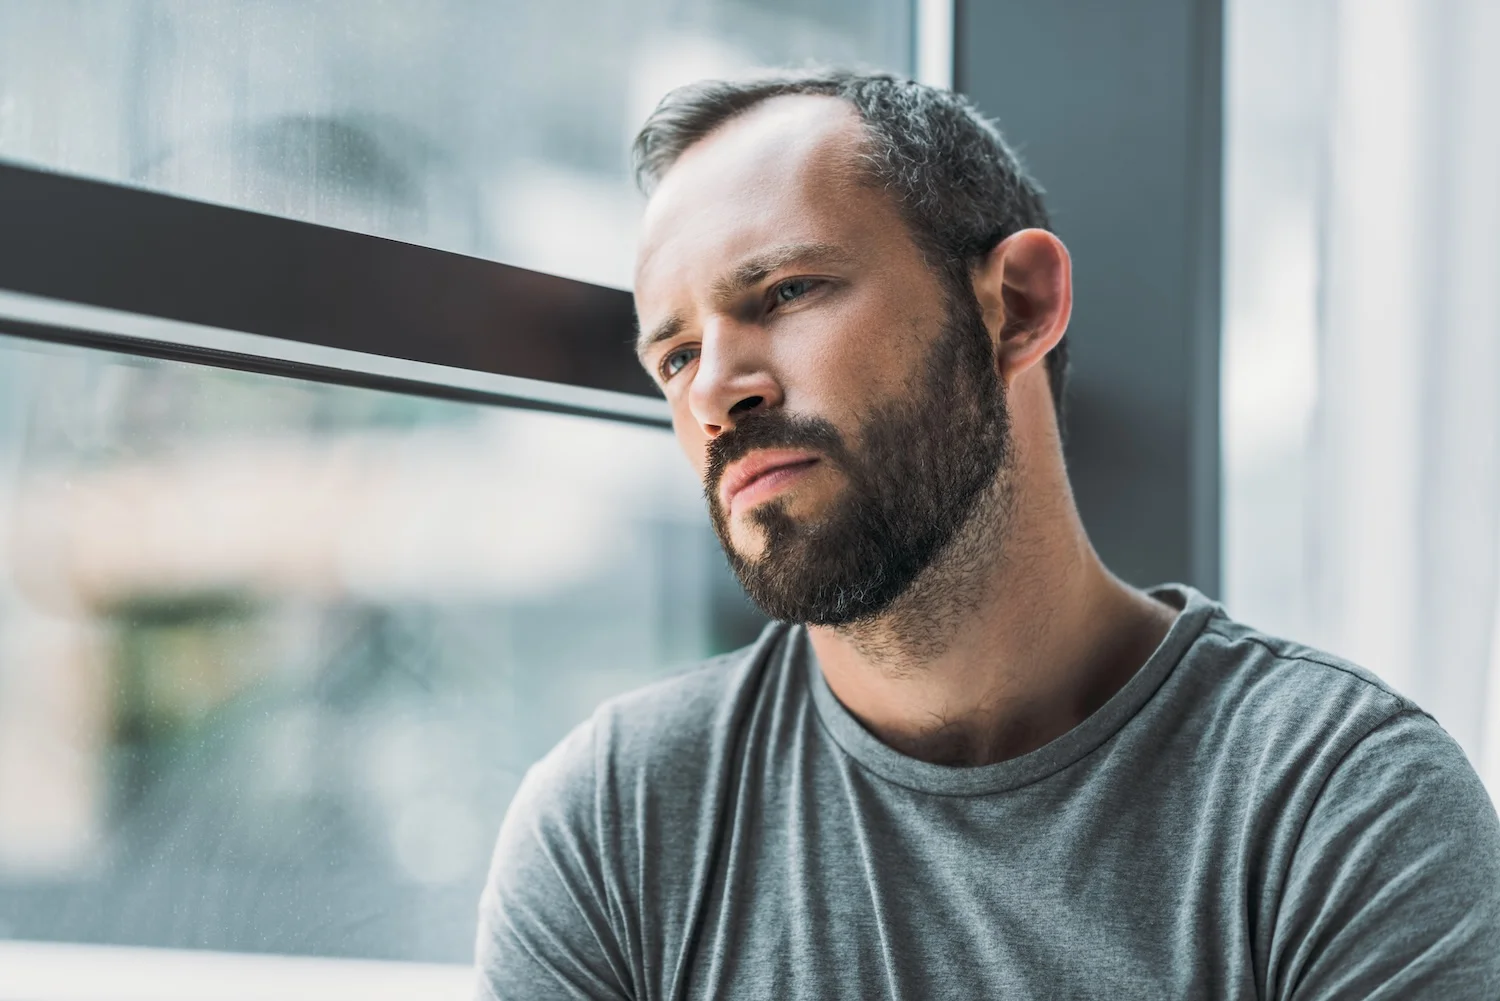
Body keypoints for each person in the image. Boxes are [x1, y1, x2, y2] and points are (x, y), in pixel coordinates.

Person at [474, 71, 1500, 1000]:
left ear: (1017, 304)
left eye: (785, 293)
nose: (714, 393)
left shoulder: (1345, 803)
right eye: (676, 355)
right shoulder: (616, 821)